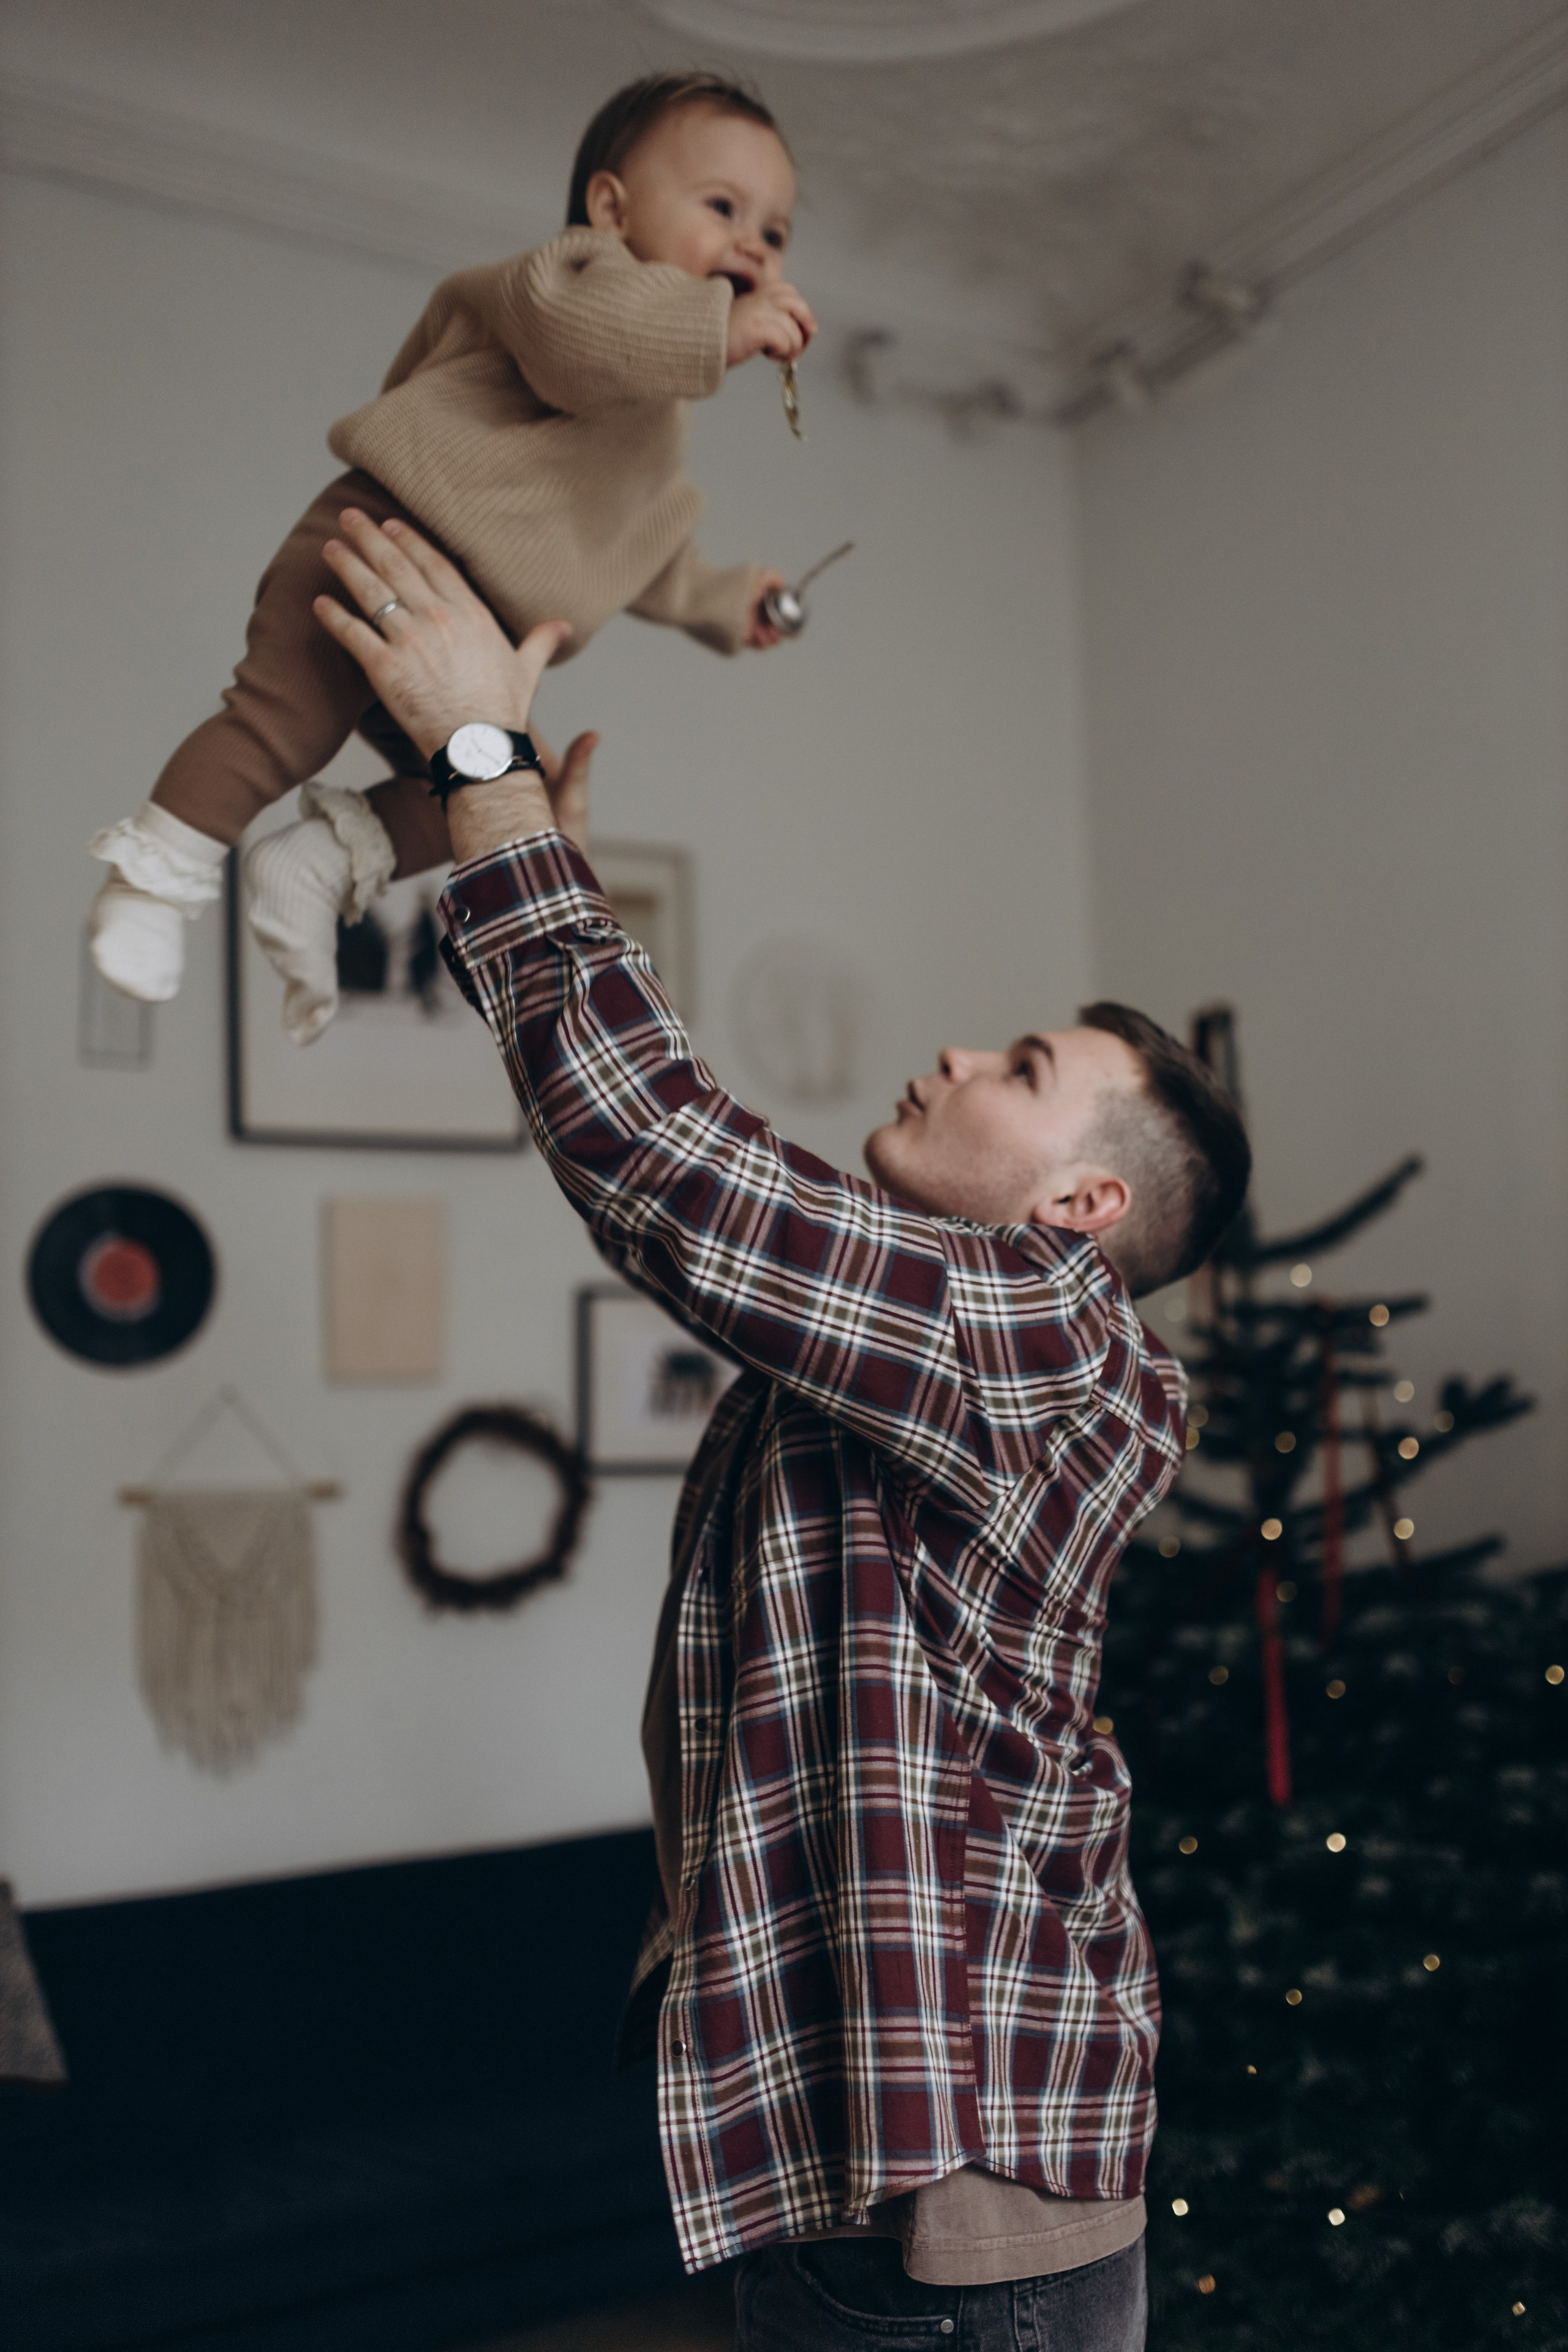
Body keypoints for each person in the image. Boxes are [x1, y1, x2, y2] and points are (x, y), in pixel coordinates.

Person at [310, 509, 1251, 2351]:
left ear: (1082, 1216)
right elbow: (713, 1185)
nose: (962, 1057)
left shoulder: (1046, 1344)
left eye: (1023, 1073)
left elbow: (667, 1162)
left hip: (958, 2207)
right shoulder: (937, 1337)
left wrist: (487, 774)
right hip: (858, 2175)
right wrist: (528, 855)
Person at [86, 70, 813, 1043]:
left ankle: (317, 865)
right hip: (377, 556)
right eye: (723, 208)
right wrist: (717, 330)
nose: (752, 247)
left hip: (468, 654)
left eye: (775, 233)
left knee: (520, 793)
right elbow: (584, 349)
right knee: (280, 726)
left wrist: (733, 602)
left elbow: (645, 551)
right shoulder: (561, 283)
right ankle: (149, 883)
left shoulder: (656, 420)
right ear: (611, 207)